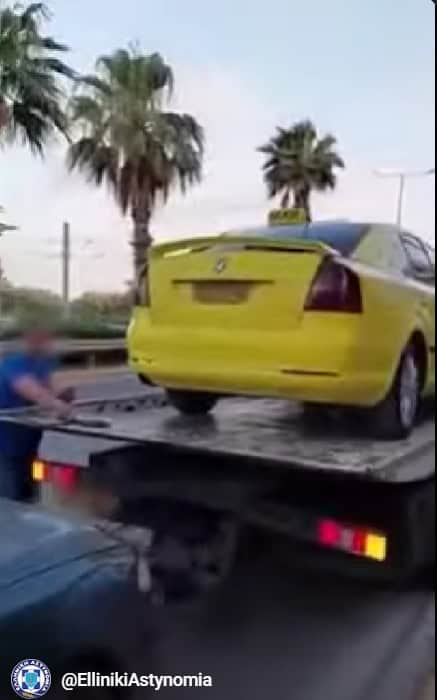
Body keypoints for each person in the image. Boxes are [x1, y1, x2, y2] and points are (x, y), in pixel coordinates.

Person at [0, 324, 73, 502]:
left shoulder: (44, 362)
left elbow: (50, 388)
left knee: (31, 493)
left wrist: (63, 395)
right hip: (5, 445)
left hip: (29, 441)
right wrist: (56, 405)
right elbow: (31, 390)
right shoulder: (14, 362)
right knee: (11, 497)